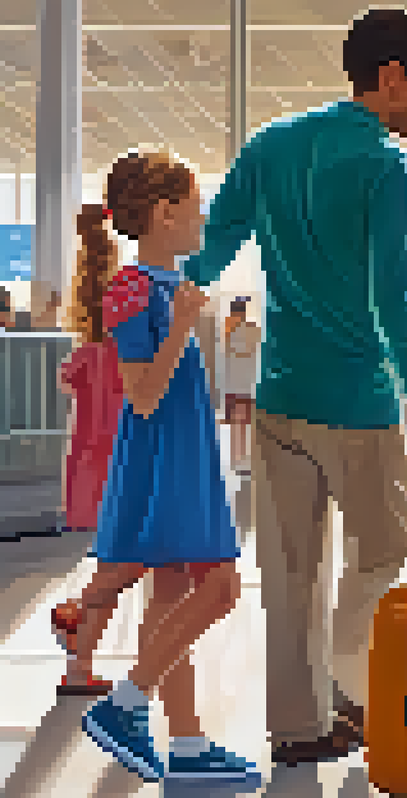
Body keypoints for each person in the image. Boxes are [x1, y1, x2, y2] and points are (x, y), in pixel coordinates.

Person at [179, 7, 407, 765]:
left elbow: (216, 241)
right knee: (385, 549)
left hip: (279, 401)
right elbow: (397, 301)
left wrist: (175, 291)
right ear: (390, 76)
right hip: (358, 404)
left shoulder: (273, 143)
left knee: (291, 572)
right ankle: (346, 677)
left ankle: (300, 730)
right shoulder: (386, 166)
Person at [66, 153, 255, 782]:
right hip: (164, 458)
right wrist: (179, 326)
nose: (202, 216)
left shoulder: (167, 286)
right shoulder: (133, 288)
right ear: (166, 212)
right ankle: (128, 702)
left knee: (171, 593)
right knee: (221, 588)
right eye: (195, 204)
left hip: (184, 452)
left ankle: (189, 743)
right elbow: (142, 394)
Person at [49, 201, 128, 699]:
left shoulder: (83, 358)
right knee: (125, 565)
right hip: (124, 464)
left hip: (89, 467)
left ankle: (80, 653)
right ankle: (77, 639)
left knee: (118, 563)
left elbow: (67, 386)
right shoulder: (130, 355)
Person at [221, 297, 260, 473]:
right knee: (244, 424)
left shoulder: (227, 330)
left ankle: (239, 459)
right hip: (247, 384)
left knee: (239, 424)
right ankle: (241, 459)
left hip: (236, 384)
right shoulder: (251, 330)